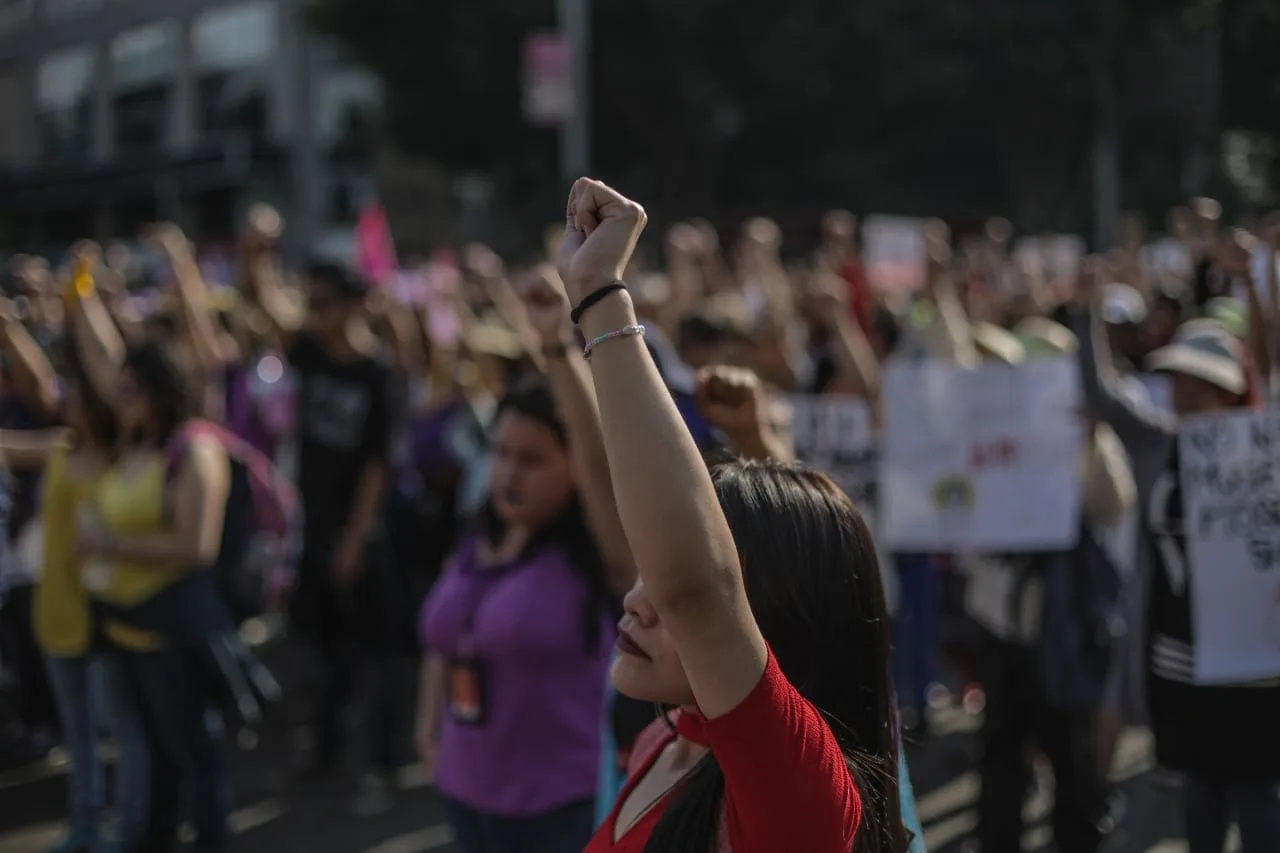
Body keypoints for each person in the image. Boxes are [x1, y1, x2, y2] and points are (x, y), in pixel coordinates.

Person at [551, 178, 902, 852]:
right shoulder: (668, 736)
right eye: (646, 572)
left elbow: (696, 586)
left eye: (671, 584)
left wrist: (599, 295)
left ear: (770, 618)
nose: (640, 597)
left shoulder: (801, 798)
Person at [417, 265, 634, 853]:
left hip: (560, 809)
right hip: (466, 795)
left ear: (575, 471)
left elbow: (597, 458)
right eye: (501, 454)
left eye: (532, 459)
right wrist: (429, 731)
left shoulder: (600, 557)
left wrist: (555, 348)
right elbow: (443, 642)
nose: (508, 472)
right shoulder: (477, 539)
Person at [1067, 271, 1280, 853]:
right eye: (1179, 379)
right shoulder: (1157, 442)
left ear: (1230, 390)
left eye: (1199, 383)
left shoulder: (1265, 451)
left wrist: (1262, 278)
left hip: (1254, 663)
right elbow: (1101, 392)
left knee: (1257, 797)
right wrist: (1085, 314)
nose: (1184, 392)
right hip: (1178, 661)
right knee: (1201, 791)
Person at [78, 341, 234, 853]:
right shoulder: (136, 442)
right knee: (158, 756)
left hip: (173, 634)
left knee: (193, 753)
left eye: (129, 389)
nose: (118, 398)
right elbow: (101, 365)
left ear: (160, 393)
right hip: (126, 629)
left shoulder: (194, 450)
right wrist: (80, 297)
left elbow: (197, 546)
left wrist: (110, 544)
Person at [35, 350, 146, 853]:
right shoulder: (60, 449)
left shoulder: (127, 464)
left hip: (108, 618)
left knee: (121, 730)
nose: (67, 403)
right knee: (78, 734)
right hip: (57, 611)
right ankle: (85, 824)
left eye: (77, 397)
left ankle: (127, 828)